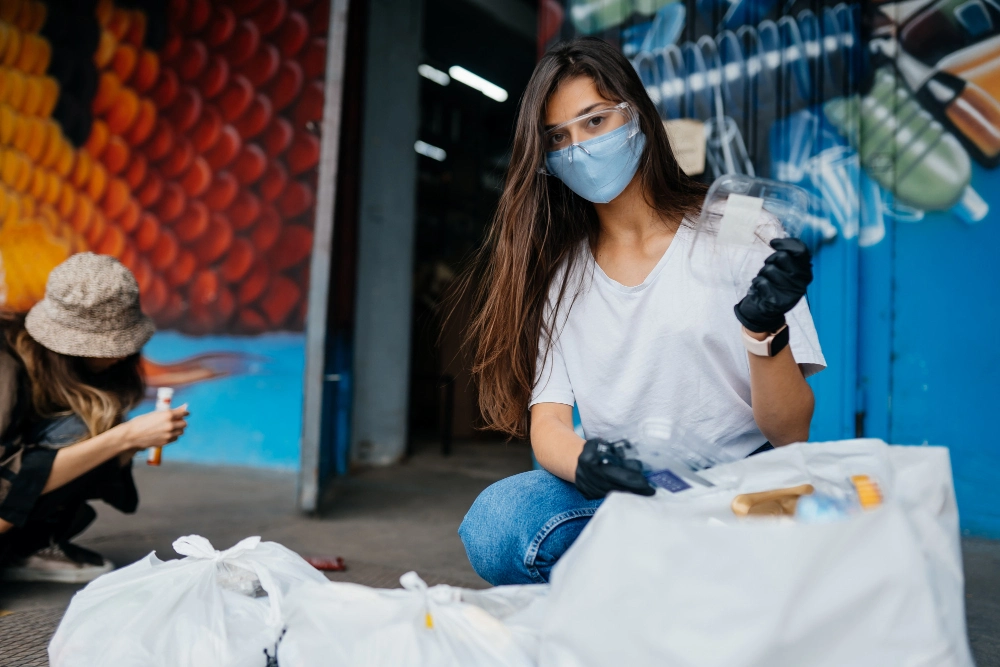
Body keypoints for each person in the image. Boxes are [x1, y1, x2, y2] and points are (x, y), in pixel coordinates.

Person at [456, 38, 826, 585]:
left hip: (740, 485)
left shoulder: (733, 226)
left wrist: (764, 328)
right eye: (557, 137)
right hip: (631, 491)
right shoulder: (562, 275)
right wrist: (586, 465)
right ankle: (672, 578)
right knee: (496, 524)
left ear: (637, 117)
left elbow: (790, 430)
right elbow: (550, 424)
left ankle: (654, 583)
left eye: (595, 121)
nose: (578, 147)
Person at [0, 253, 189, 583]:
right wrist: (124, 438)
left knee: (96, 422)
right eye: (104, 345)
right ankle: (17, 548)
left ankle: (24, 547)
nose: (119, 355)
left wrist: (125, 446)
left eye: (122, 343)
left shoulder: (72, 372)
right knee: (89, 428)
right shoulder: (6, 367)